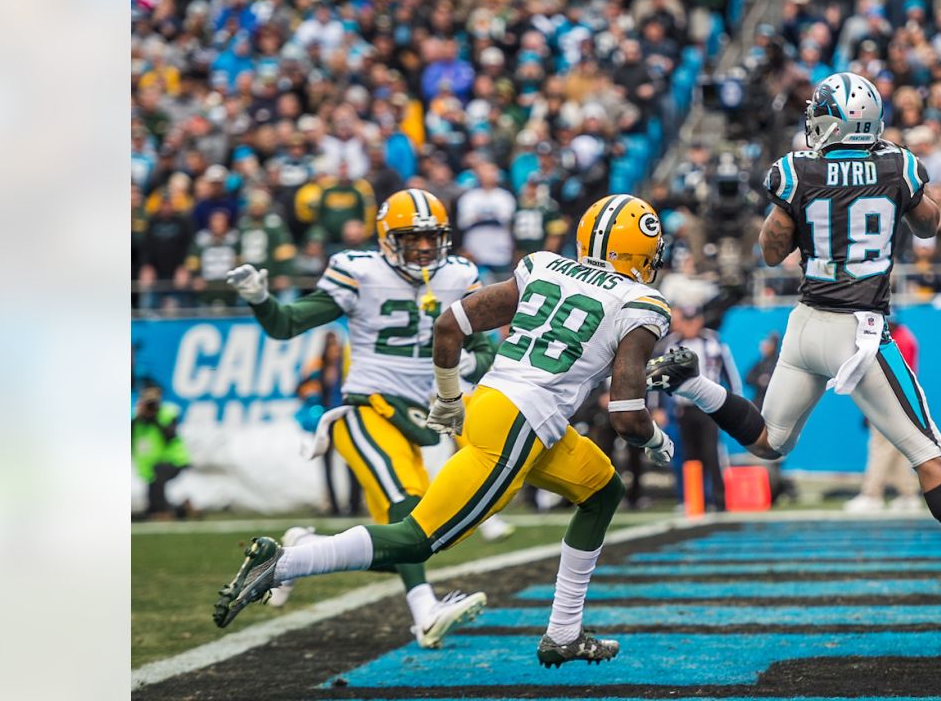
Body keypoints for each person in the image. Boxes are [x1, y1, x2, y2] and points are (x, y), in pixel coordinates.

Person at [214, 193, 676, 668]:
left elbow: (450, 325)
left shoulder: (545, 266)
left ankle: (564, 633)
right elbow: (626, 414)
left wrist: (451, 399)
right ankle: (282, 563)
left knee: (601, 490)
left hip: (501, 407)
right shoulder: (641, 301)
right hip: (521, 423)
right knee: (417, 537)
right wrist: (656, 440)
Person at [647, 73, 941, 615]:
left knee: (768, 443)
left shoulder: (796, 170)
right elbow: (929, 225)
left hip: (806, 323)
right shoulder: (899, 164)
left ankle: (692, 381)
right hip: (858, 329)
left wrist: (803, 208)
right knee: (929, 457)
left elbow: (770, 250)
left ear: (831, 119)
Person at [223, 189, 493, 649]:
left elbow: (485, 346)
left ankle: (301, 552)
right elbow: (286, 324)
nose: (426, 249)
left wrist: (468, 366)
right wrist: (261, 298)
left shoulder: (460, 275)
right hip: (365, 410)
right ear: (388, 239)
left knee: (418, 539)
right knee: (407, 506)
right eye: (413, 239)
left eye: (433, 239)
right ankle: (424, 612)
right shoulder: (359, 272)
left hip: (419, 420)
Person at [654, 305, 743, 512]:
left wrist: (735, 402)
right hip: (683, 408)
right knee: (688, 455)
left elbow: (729, 373)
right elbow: (659, 377)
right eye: (687, 321)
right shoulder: (671, 345)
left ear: (700, 321)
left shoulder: (713, 341)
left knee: (711, 453)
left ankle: (719, 501)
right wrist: (656, 407)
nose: (691, 326)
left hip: (710, 407)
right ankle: (693, 500)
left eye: (694, 321)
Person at [844, 319, 924, 513]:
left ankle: (872, 494)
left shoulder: (898, 341)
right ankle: (908, 495)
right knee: (895, 451)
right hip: (899, 402)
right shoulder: (902, 337)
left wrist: (874, 406)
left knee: (879, 447)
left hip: (890, 402)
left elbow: (890, 378)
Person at [294, 331, 362, 518]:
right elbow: (300, 388)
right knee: (327, 463)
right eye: (331, 346)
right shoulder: (318, 367)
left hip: (345, 418)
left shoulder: (347, 367)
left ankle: (354, 504)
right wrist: (310, 393)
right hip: (326, 420)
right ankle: (333, 505)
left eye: (336, 346)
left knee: (352, 461)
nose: (335, 350)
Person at [131, 385, 191, 520]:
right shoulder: (136, 419)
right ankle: (181, 509)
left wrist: (154, 419)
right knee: (152, 499)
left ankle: (164, 512)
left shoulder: (167, 412)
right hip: (151, 465)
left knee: (158, 477)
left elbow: (170, 435)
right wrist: (140, 416)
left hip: (174, 460)